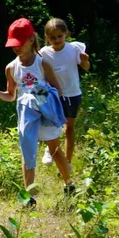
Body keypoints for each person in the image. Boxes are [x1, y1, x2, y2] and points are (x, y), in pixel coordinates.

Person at [0, 18, 74, 206]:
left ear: (31, 40)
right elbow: (11, 96)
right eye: (13, 44)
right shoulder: (11, 68)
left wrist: (39, 95)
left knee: (55, 150)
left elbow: (57, 90)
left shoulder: (42, 64)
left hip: (45, 111)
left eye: (19, 43)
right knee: (28, 151)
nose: (16, 48)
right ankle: (29, 196)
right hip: (26, 113)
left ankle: (69, 183)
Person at [38, 18, 89, 164]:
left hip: (73, 93)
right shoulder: (44, 53)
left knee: (69, 128)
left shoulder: (74, 49)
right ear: (47, 37)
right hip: (53, 94)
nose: (56, 40)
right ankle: (50, 150)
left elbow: (86, 67)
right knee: (54, 124)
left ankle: (68, 161)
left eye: (59, 36)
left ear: (66, 34)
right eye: (52, 37)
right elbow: (39, 74)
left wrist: (85, 61)